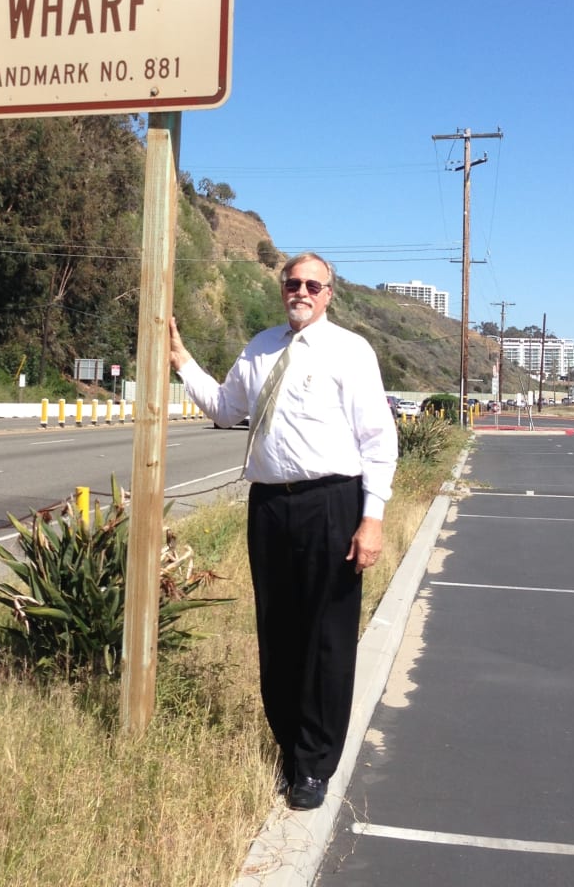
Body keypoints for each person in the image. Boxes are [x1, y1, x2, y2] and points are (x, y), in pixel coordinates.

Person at [169, 252, 397, 810]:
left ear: (328, 293)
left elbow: (377, 439)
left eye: (311, 284)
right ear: (283, 288)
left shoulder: (350, 350)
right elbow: (226, 409)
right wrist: (180, 360)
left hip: (332, 504)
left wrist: (372, 518)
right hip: (270, 506)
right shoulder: (262, 345)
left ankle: (315, 765)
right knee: (278, 632)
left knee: (327, 637)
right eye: (293, 283)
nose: (301, 291)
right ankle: (289, 748)